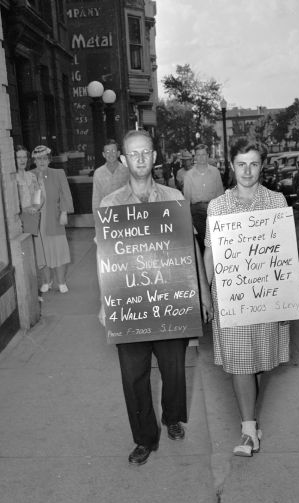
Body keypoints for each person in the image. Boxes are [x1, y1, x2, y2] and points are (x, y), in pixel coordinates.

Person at [98, 129, 213, 466]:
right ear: (123, 159)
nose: (140, 159)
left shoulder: (175, 199)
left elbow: (192, 248)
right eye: (133, 154)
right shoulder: (111, 204)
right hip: (131, 303)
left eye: (145, 152)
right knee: (133, 375)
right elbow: (105, 257)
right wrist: (105, 302)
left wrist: (203, 294)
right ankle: (144, 438)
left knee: (174, 369)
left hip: (171, 300)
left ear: (154, 155)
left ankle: (173, 416)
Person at [204, 139, 290, 457]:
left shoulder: (276, 201)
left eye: (253, 163)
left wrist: (287, 299)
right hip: (231, 297)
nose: (247, 170)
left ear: (262, 165)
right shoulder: (218, 206)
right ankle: (249, 430)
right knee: (240, 362)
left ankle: (250, 408)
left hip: (266, 294)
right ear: (231, 165)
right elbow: (211, 252)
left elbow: (284, 252)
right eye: (241, 164)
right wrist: (206, 296)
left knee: (258, 361)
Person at [31, 145, 74, 293]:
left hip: (54, 217)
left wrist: (64, 212)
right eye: (38, 159)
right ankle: (46, 281)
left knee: (59, 250)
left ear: (49, 159)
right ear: (34, 161)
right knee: (41, 251)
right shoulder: (30, 175)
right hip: (36, 220)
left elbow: (65, 194)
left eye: (44, 158)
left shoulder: (58, 173)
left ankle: (61, 282)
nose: (41, 162)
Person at [183, 143, 224, 252]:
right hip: (197, 211)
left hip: (213, 209)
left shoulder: (215, 172)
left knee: (215, 240)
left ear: (208, 155)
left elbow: (220, 194)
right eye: (198, 155)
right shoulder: (189, 175)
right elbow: (186, 199)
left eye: (204, 154)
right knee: (204, 239)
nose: (201, 157)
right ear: (195, 157)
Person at [91, 139, 129, 217]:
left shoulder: (127, 170)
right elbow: (96, 198)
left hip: (125, 213)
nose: (110, 154)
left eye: (113, 151)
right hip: (106, 214)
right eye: (107, 152)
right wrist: (96, 217)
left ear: (118, 153)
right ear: (103, 154)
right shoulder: (98, 173)